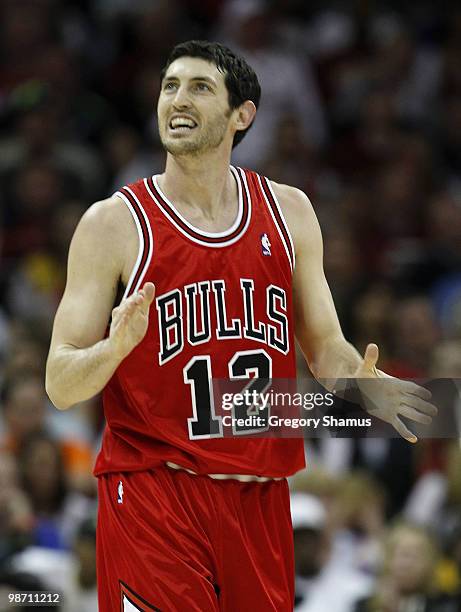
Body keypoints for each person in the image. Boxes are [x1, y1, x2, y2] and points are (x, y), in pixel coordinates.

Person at [45, 40, 437, 611]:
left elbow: (326, 346)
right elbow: (59, 383)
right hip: (159, 492)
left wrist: (358, 382)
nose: (177, 99)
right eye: (169, 85)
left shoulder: (290, 212)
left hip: (261, 500)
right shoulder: (113, 224)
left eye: (200, 87)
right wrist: (114, 348)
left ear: (242, 115)